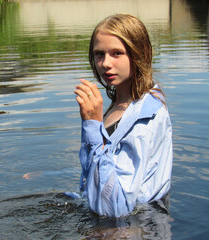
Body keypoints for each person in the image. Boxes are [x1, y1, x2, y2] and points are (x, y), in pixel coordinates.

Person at [74, 14, 173, 217]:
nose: (105, 63)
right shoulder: (122, 103)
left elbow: (115, 207)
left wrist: (93, 127)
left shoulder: (144, 119)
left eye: (116, 53)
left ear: (139, 54)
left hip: (134, 228)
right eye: (99, 54)